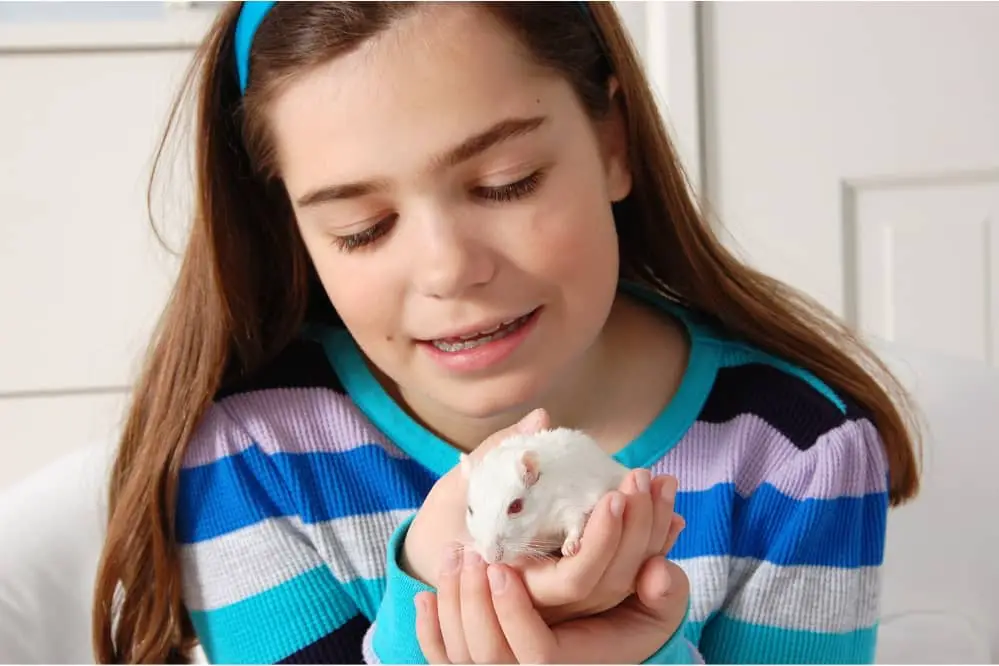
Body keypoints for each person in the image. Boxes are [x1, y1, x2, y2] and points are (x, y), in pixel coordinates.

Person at [91, 1, 922, 664]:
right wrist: (427, 599)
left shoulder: (797, 456)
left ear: (611, 141)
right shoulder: (255, 456)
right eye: (362, 227)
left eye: (504, 183)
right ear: (296, 235)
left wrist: (637, 655)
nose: (449, 269)